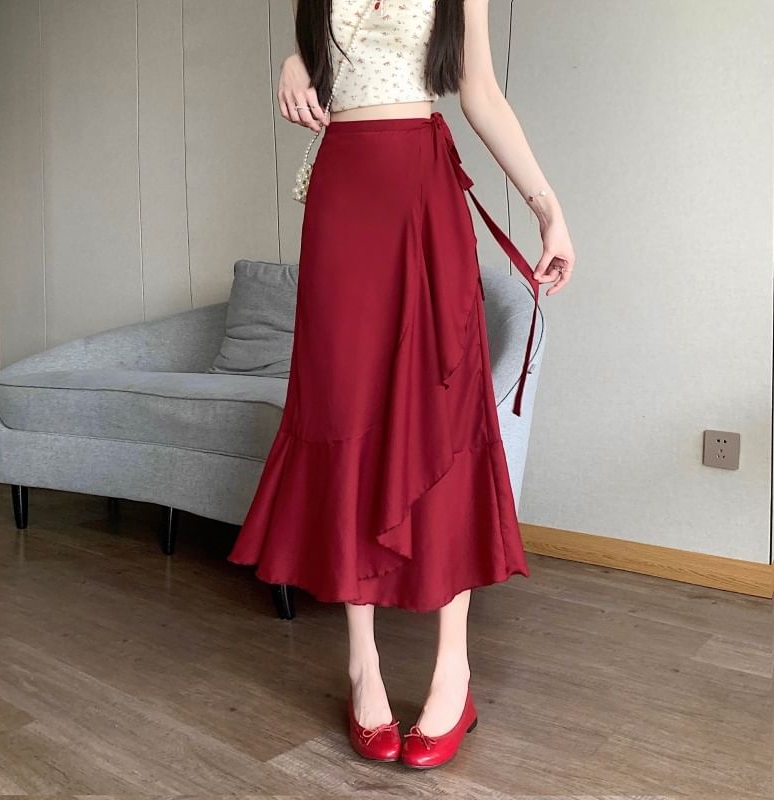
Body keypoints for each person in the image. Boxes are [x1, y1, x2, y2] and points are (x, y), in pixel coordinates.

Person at [228, 0, 575, 769]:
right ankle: (364, 665)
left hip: (423, 192)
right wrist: (297, 59)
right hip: (344, 197)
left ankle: (454, 670)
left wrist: (547, 209)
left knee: (441, 415)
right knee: (344, 415)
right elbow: (326, 59)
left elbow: (480, 92)